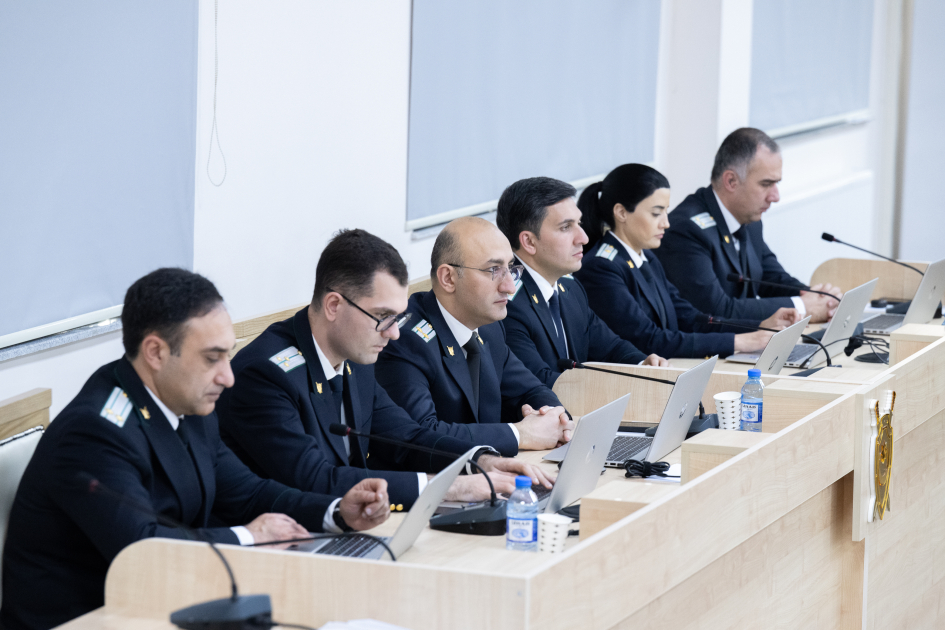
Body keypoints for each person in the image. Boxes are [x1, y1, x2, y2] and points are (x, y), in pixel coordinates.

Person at [0, 269, 389, 630]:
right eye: (211, 358)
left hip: (160, 603)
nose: (228, 376)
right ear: (155, 353)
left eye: (227, 354)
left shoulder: (190, 404)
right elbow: (144, 552)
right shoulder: (94, 433)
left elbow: (248, 492)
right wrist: (250, 537)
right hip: (88, 619)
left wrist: (335, 512)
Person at [217, 229, 553, 511]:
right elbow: (316, 479)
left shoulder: (357, 355)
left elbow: (407, 437)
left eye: (397, 317)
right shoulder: (264, 375)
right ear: (334, 305)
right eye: (383, 317)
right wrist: (453, 487)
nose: (393, 333)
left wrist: (481, 460)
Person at [375, 217, 574, 457]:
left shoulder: (489, 327)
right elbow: (422, 433)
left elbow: (530, 390)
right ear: (448, 278)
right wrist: (520, 434)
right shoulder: (405, 339)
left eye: (511, 268)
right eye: (493, 270)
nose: (510, 287)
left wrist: (555, 418)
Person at [575, 164, 799, 359]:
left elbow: (689, 318)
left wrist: (758, 327)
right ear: (621, 213)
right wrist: (740, 342)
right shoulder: (602, 267)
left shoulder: (646, 256)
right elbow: (649, 340)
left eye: (666, 212)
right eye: (656, 213)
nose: (666, 223)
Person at [494, 176, 668, 388]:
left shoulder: (570, 286)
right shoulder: (507, 303)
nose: (583, 238)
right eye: (566, 227)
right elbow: (541, 381)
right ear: (529, 242)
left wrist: (642, 363)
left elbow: (610, 346)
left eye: (579, 224)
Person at [653, 127, 841, 322]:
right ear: (731, 181)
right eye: (766, 184)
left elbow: (770, 278)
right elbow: (717, 310)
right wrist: (803, 307)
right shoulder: (685, 231)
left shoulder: (749, 220)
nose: (775, 196)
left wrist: (817, 297)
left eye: (776, 183)